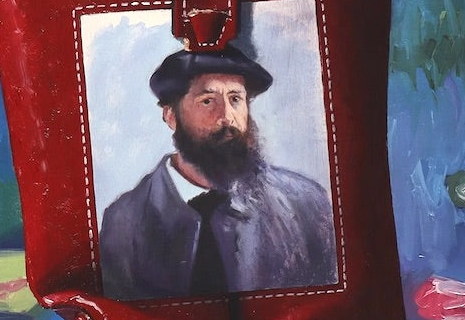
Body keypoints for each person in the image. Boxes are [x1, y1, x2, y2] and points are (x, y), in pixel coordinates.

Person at [99, 45, 338, 300]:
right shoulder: (124, 222)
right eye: (207, 101)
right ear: (171, 116)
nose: (227, 117)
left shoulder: (306, 205)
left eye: (236, 99)